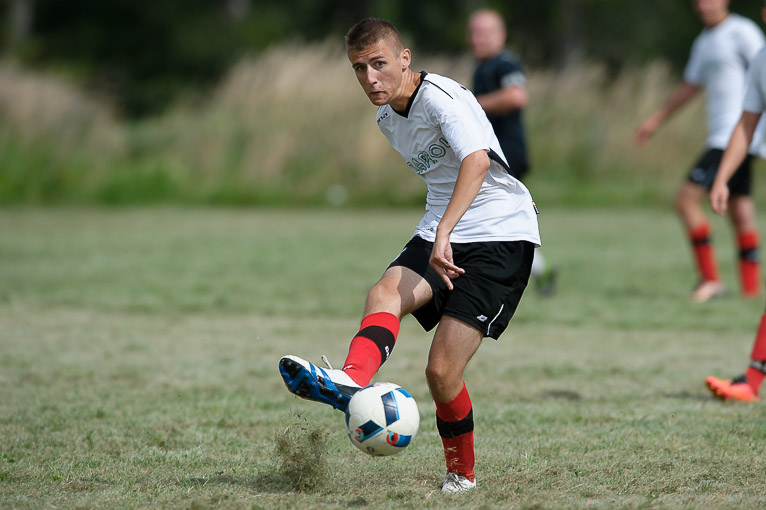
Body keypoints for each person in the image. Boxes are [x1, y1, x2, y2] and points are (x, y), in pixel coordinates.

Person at [278, 18, 541, 492]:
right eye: (359, 69)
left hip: (500, 231)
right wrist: (440, 231)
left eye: (379, 64)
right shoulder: (386, 119)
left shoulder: (440, 97)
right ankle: (351, 380)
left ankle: (462, 474)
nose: (370, 78)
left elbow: (477, 161)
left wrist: (445, 232)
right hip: (443, 226)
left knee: (441, 372)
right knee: (384, 293)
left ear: (405, 59)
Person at [634, 0, 765, 303]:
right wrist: (656, 120)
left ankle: (711, 280)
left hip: (732, 136)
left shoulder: (743, 32)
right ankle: (751, 292)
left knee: (686, 199)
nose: (704, 5)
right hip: (735, 134)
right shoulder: (704, 41)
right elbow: (690, 85)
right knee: (739, 208)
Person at [468, 8, 557, 297]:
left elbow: (516, 96)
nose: (478, 39)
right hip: (493, 154)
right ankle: (539, 270)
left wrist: (470, 104)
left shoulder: (504, 64)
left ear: (501, 35)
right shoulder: (482, 67)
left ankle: (504, 276)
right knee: (499, 218)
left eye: (485, 33)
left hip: (506, 155)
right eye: (474, 33)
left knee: (490, 217)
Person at [705, 2, 766, 403]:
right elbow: (746, 124)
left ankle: (752, 381)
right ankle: (751, 382)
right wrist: (723, 177)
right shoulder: (761, 60)